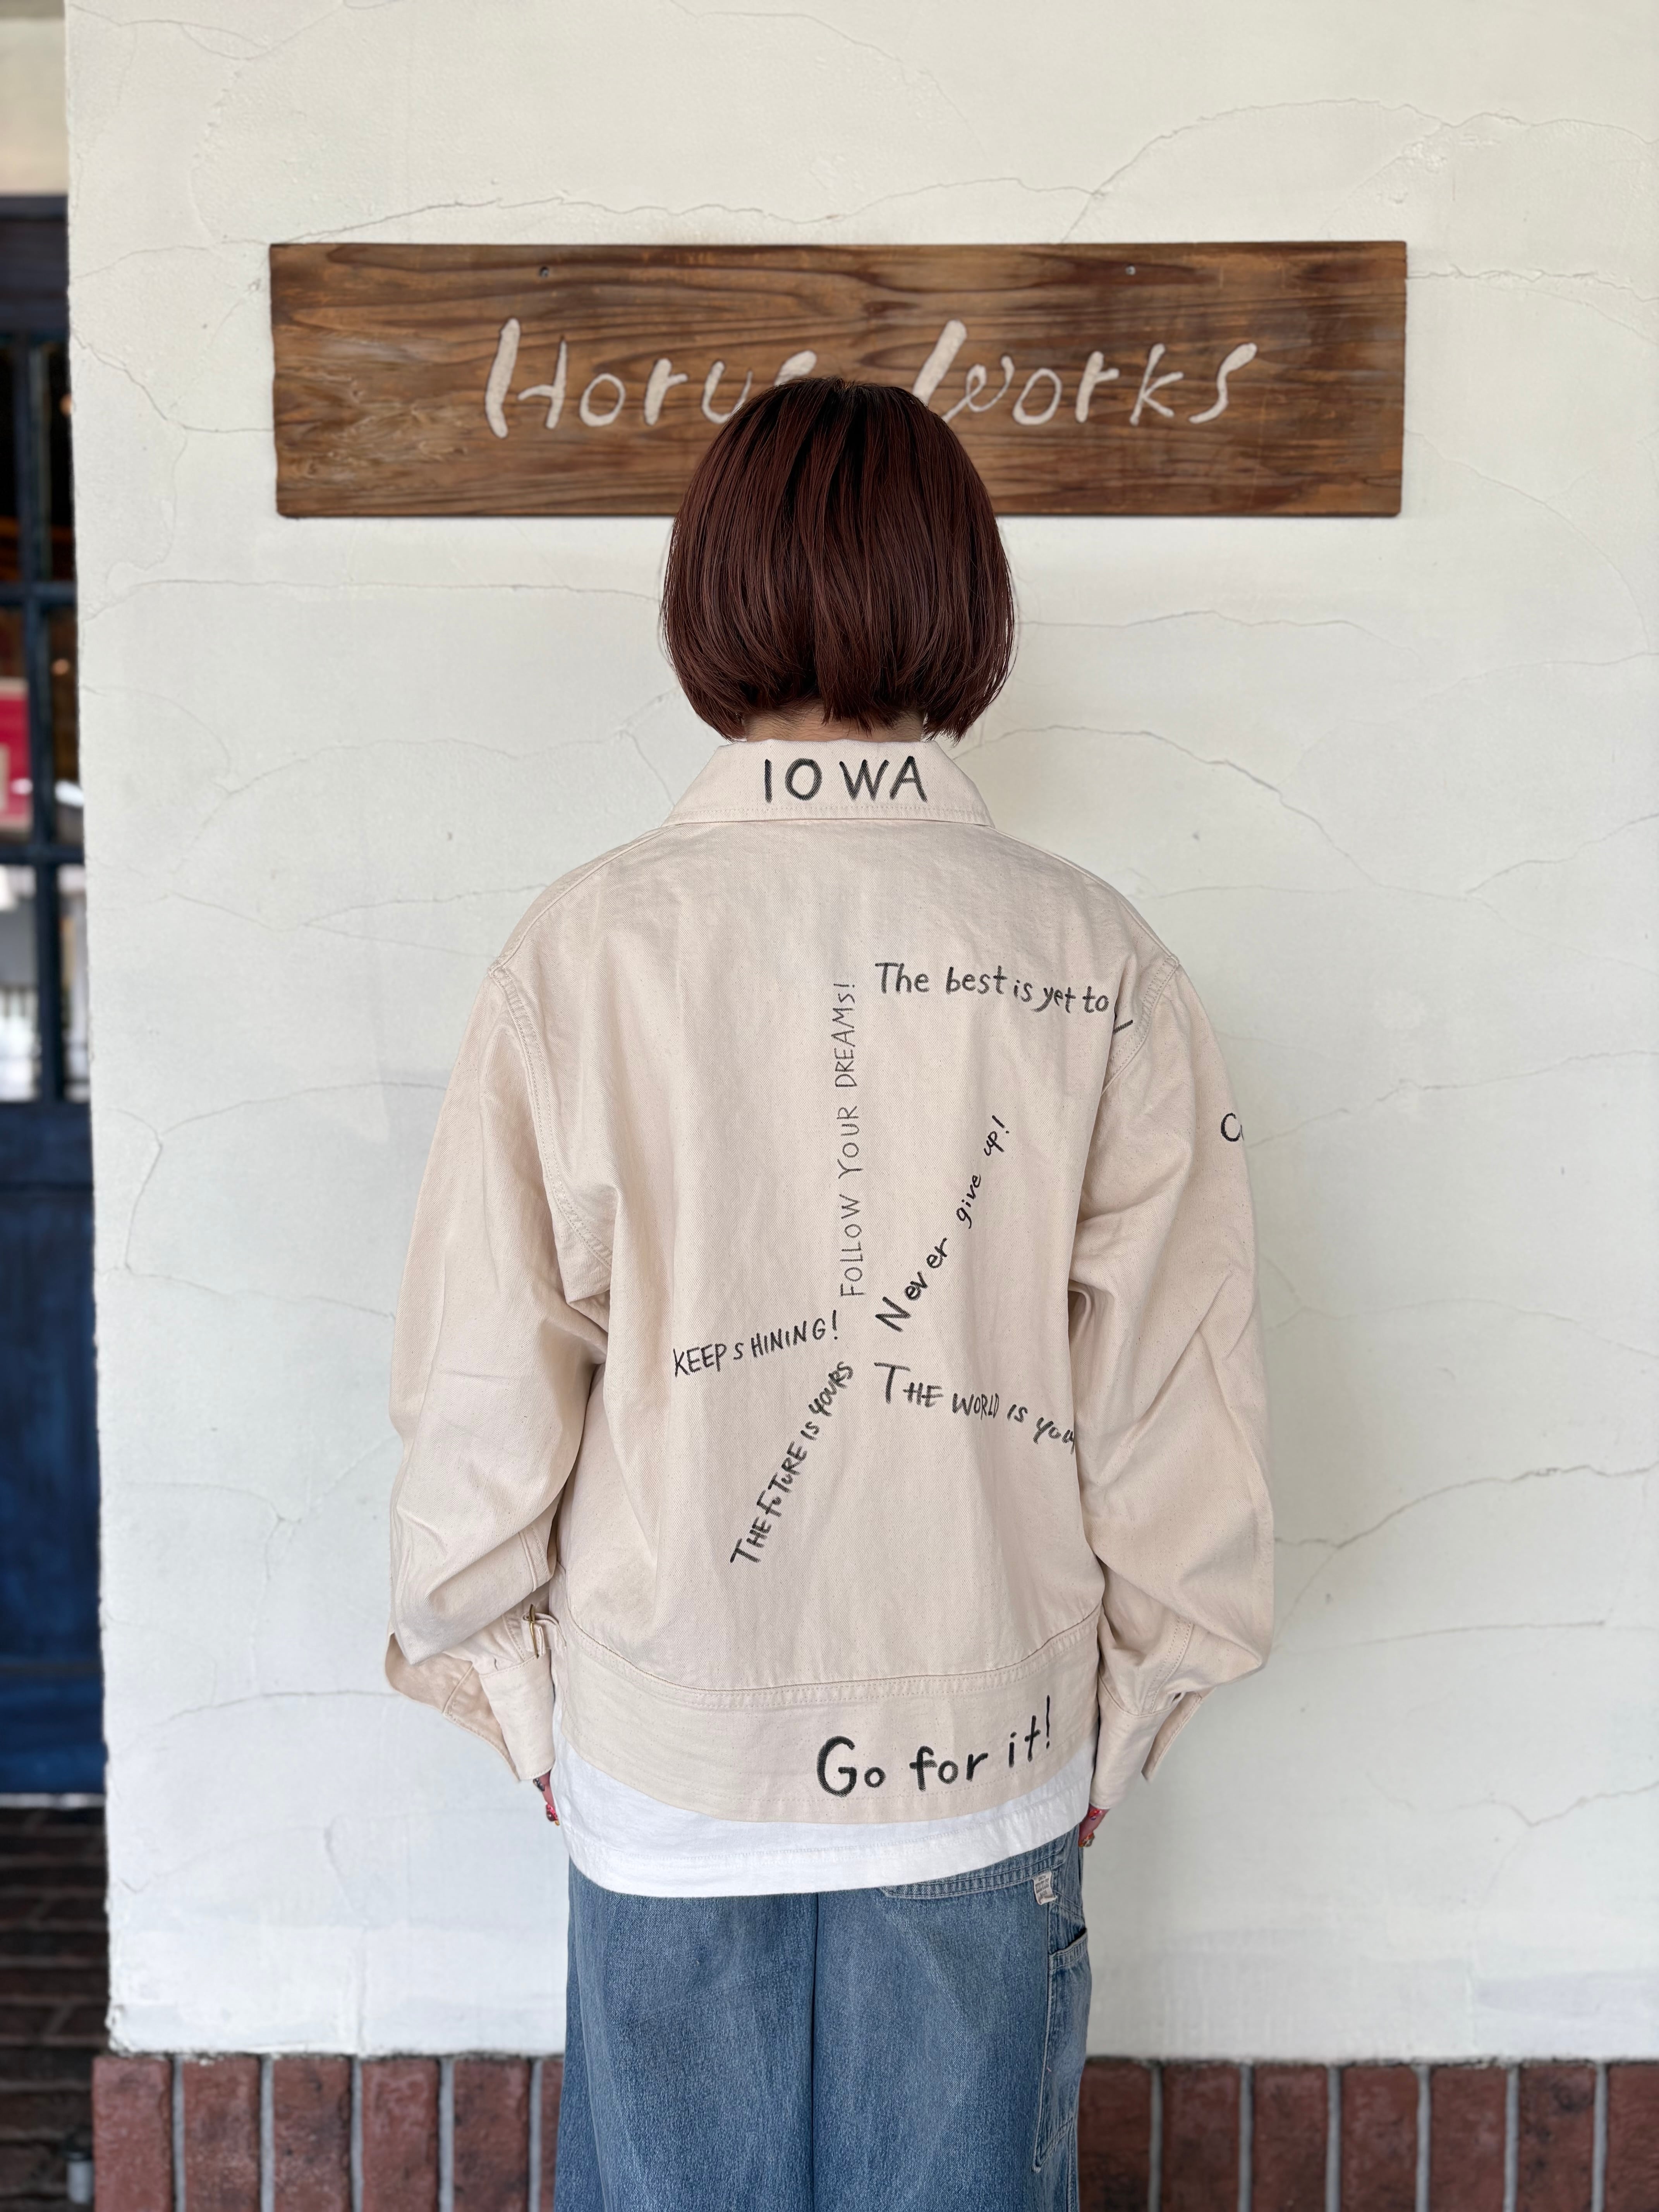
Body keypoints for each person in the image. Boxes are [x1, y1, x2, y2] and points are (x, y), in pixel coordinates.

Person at [384, 377, 1273, 2210]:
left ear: (706, 595)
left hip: (669, 1752)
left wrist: (518, 1697)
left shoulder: (583, 948)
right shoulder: (1096, 953)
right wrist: (1135, 1708)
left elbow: (484, 1383)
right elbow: (1176, 1395)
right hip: (986, 1755)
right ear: (968, 598)